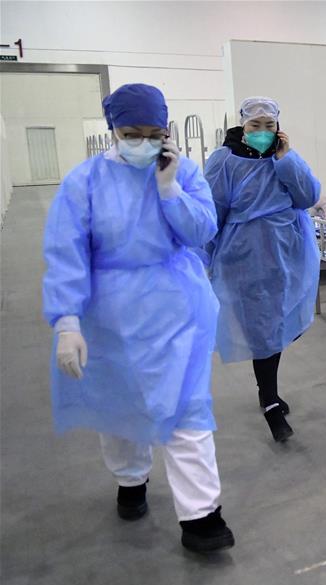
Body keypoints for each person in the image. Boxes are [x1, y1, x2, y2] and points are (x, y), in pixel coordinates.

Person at [42, 83, 234, 553]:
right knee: (120, 404)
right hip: (109, 316)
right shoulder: (83, 182)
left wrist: (169, 190)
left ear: (167, 131)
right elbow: (66, 253)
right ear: (113, 130)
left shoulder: (184, 172)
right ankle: (131, 481)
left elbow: (203, 230)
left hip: (176, 311)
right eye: (132, 133)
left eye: (154, 132)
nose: (144, 141)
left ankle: (201, 517)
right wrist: (66, 321)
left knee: (188, 409)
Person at [204, 97, 320, 442]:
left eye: (270, 126)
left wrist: (288, 159)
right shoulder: (224, 160)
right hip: (246, 255)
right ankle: (270, 402)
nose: (262, 132)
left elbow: (307, 196)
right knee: (262, 327)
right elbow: (213, 211)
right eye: (256, 126)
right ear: (242, 126)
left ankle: (266, 390)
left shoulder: (282, 158)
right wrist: (205, 257)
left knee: (277, 322)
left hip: (286, 251)